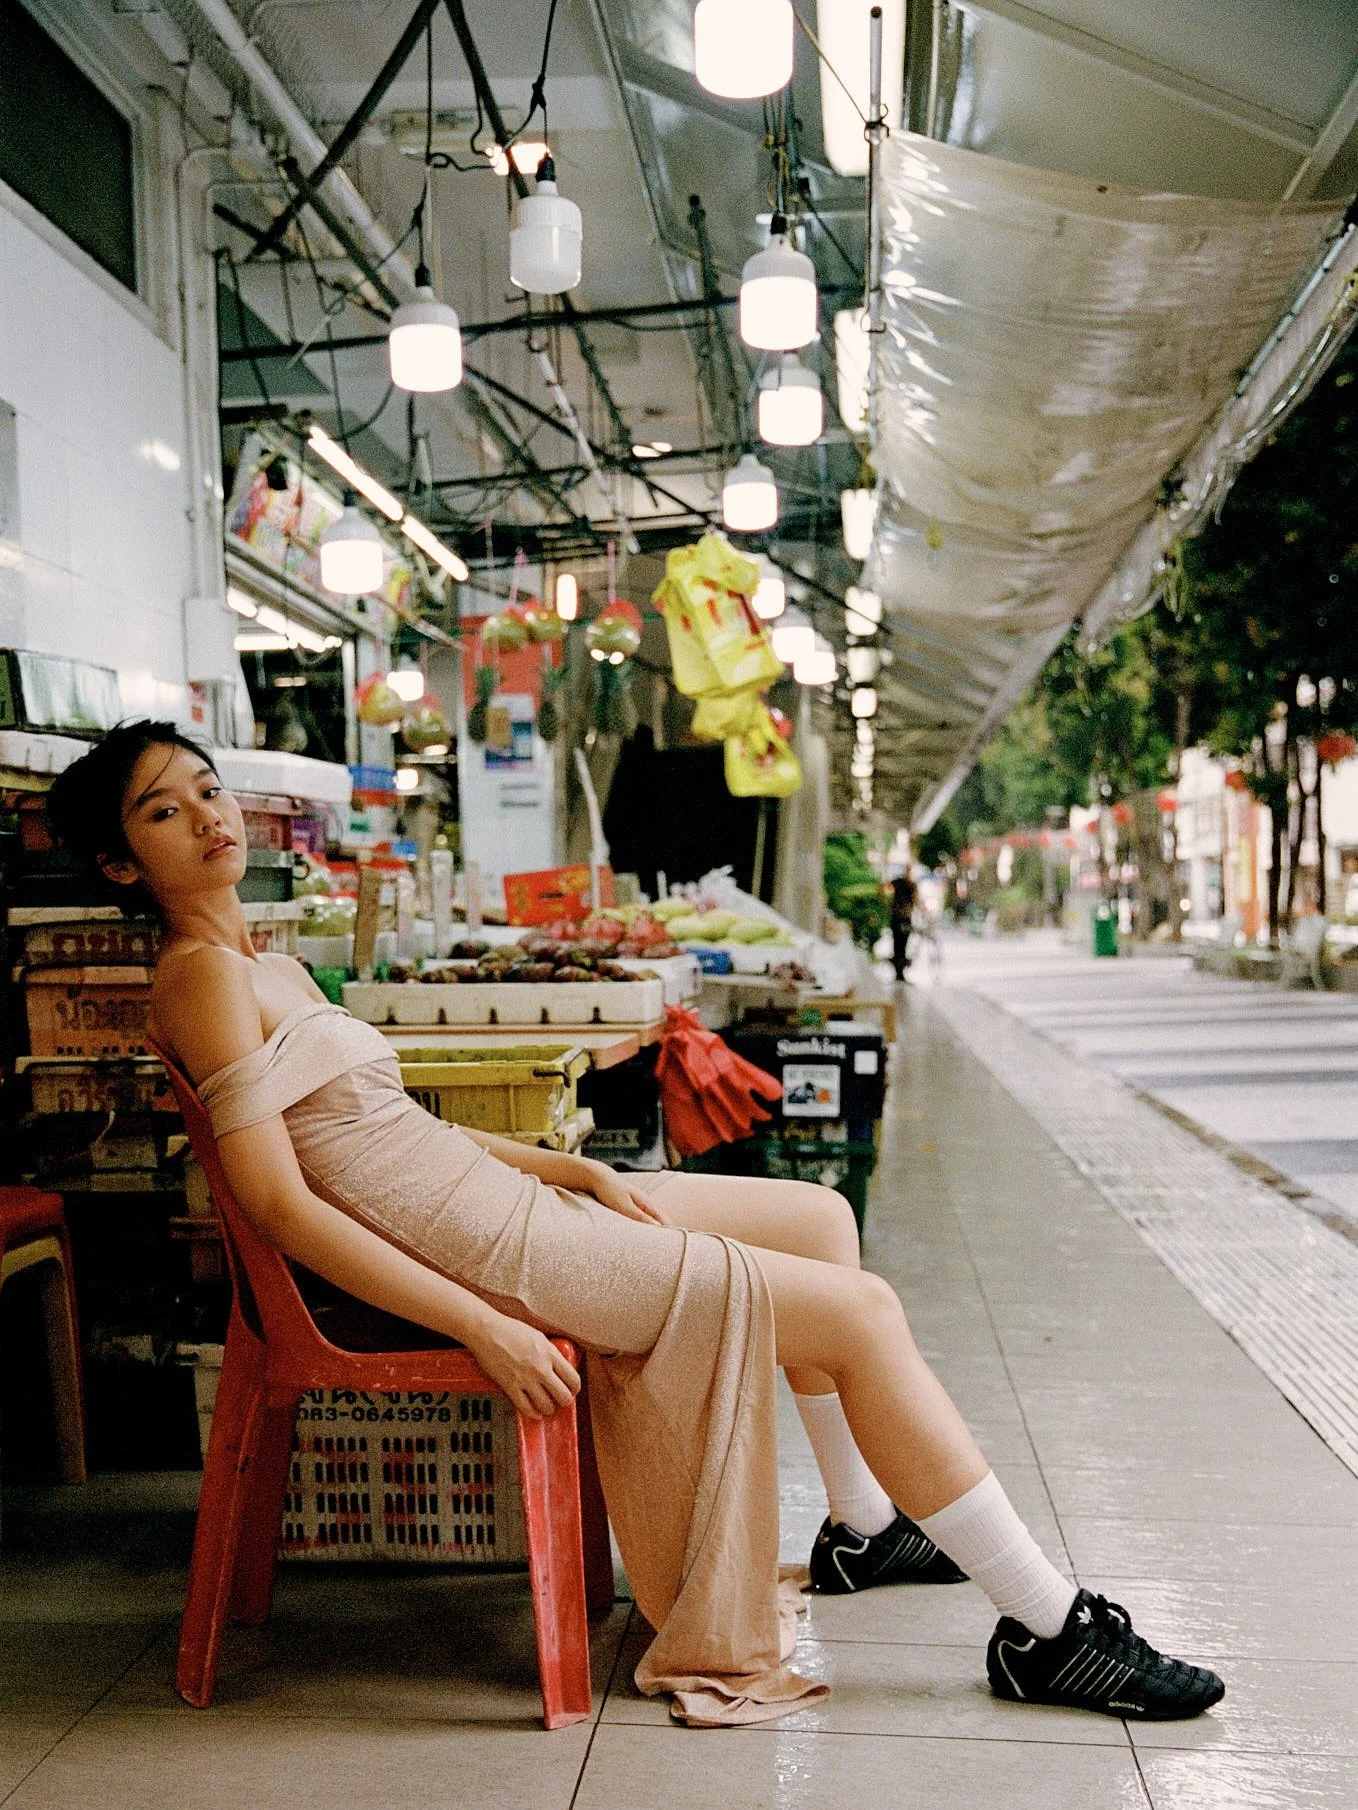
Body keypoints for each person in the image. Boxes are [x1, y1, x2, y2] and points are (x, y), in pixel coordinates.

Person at [45, 722, 1225, 1729]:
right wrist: (483, 1325)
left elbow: (382, 1132)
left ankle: (865, 1525)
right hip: (492, 1255)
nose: (206, 817)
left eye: (207, 787)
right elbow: (278, 1204)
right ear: (117, 858)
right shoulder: (200, 977)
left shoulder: (260, 958)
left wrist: (564, 1163)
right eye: (162, 810)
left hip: (501, 1207)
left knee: (817, 1219)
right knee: (859, 1316)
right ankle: (1044, 1627)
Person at [890, 870, 918, 979]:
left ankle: (899, 971)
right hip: (903, 918)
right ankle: (899, 971)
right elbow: (916, 899)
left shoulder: (898, 883)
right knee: (901, 945)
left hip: (898, 918)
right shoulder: (908, 885)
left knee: (898, 945)